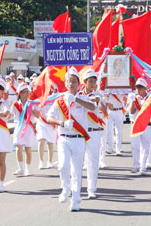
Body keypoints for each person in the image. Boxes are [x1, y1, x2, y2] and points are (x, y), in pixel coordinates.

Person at [47, 67, 95, 212]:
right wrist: (62, 123)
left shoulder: (83, 98)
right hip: (63, 138)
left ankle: (76, 200)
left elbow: (92, 107)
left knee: (76, 172)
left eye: (74, 81)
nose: (71, 84)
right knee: (63, 165)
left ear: (78, 83)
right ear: (65, 83)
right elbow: (49, 117)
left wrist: (77, 99)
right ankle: (65, 189)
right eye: (69, 81)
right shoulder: (60, 100)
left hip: (78, 139)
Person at [79, 69, 103, 199]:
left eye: (94, 81)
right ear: (84, 82)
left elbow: (94, 100)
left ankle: (91, 189)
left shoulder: (98, 95)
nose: (93, 84)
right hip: (80, 132)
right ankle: (77, 188)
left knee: (93, 161)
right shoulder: (77, 95)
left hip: (93, 133)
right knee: (78, 161)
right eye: (90, 81)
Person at [127, 78, 151, 175]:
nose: (139, 90)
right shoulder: (134, 97)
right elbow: (132, 111)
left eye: (141, 87)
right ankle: (136, 166)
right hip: (135, 124)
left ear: (145, 88)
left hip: (146, 125)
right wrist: (133, 101)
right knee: (134, 146)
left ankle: (143, 167)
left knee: (145, 146)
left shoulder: (150, 98)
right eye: (137, 87)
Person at [11, 83, 38, 176]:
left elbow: (38, 116)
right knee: (18, 148)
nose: (27, 94)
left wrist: (34, 111)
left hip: (28, 127)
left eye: (28, 92)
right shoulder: (15, 104)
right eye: (25, 92)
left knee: (28, 149)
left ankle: (28, 169)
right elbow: (10, 115)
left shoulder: (31, 103)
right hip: (19, 127)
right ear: (20, 93)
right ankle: (20, 168)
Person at [34, 83, 58, 169]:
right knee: (41, 140)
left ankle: (50, 161)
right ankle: (41, 161)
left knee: (50, 143)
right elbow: (36, 112)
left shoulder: (55, 99)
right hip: (41, 122)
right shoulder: (40, 99)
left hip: (50, 124)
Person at [106, 91, 126, 155]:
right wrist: (108, 93)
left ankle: (118, 149)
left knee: (118, 131)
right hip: (110, 112)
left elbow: (127, 94)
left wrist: (121, 91)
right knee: (109, 131)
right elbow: (104, 97)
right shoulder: (108, 90)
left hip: (119, 111)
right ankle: (110, 148)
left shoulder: (121, 90)